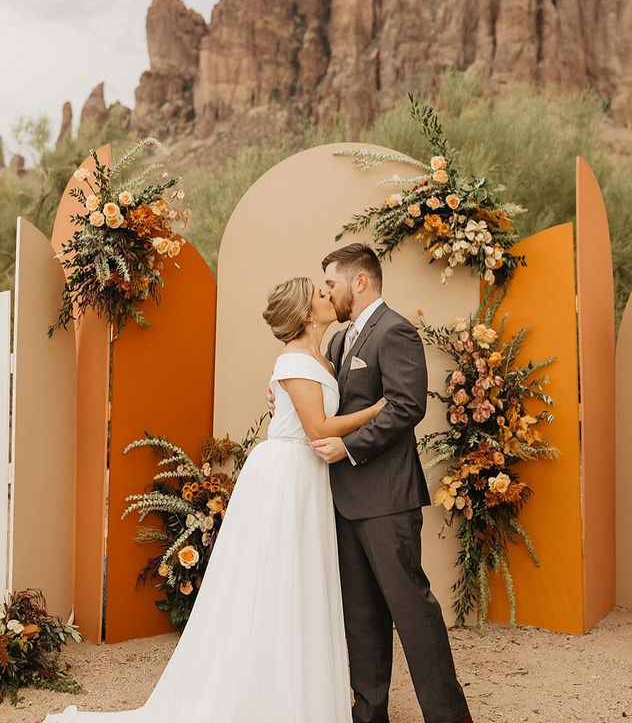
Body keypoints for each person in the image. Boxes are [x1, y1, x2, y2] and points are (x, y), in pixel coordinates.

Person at [44, 276, 387, 723]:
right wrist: (379, 410)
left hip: (309, 477)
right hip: (286, 477)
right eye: (321, 294)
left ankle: (295, 691)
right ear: (305, 313)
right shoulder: (293, 361)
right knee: (276, 582)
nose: (329, 296)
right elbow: (319, 428)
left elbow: (309, 409)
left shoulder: (324, 355)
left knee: (301, 582)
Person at [310, 243, 472, 723]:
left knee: (413, 612)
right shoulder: (339, 342)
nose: (327, 293)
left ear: (360, 282)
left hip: (386, 500)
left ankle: (448, 716)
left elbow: (406, 406)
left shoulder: (395, 330)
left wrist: (350, 448)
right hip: (343, 503)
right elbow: (325, 403)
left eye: (332, 284)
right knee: (361, 619)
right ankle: (370, 715)